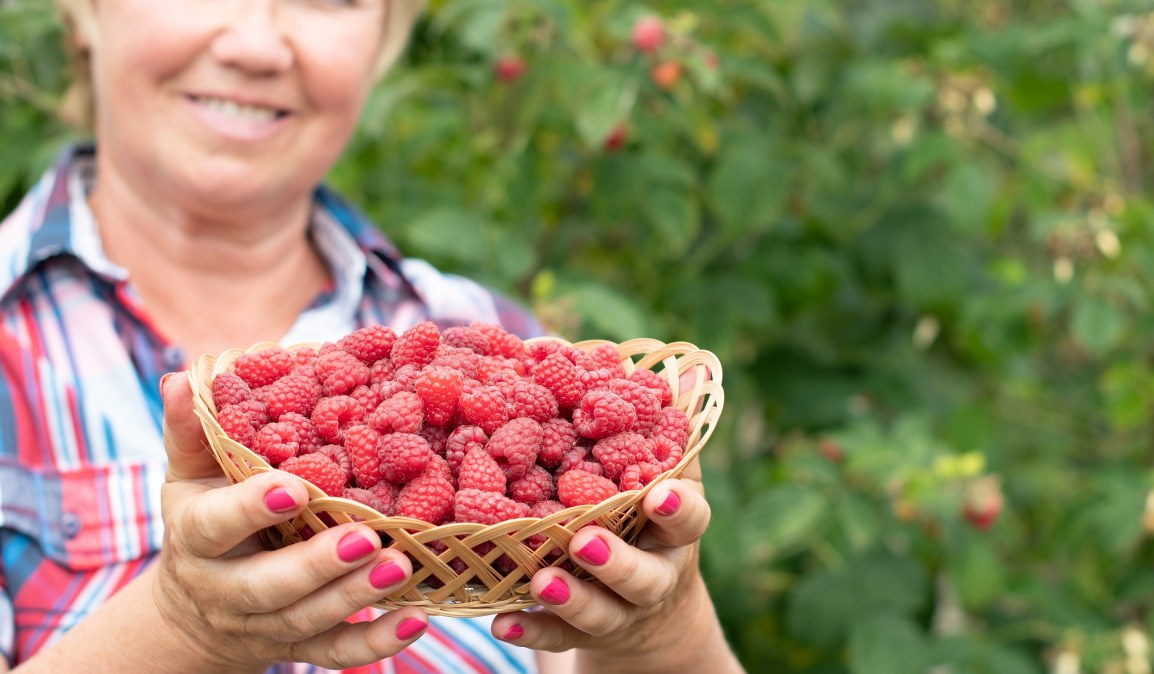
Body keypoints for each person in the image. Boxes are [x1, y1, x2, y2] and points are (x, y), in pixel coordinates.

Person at [0, 0, 745, 672]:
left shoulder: (500, 343)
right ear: (81, 10)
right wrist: (181, 631)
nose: (258, 44)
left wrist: (659, 637)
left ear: (384, 38)